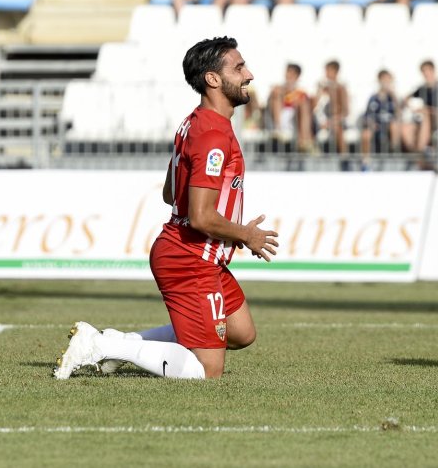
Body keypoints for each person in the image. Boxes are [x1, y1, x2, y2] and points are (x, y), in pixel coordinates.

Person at [53, 36, 277, 380]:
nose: (249, 74)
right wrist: (245, 233)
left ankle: (118, 342)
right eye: (239, 67)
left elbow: (171, 193)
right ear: (213, 79)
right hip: (189, 259)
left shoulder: (195, 122)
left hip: (201, 255)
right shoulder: (212, 135)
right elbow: (201, 216)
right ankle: (99, 346)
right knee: (206, 371)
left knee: (241, 332)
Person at [267, 63, 314, 150]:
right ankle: (279, 129)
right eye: (288, 72)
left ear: (297, 76)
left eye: (291, 73)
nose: (288, 75)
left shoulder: (301, 93)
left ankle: (304, 138)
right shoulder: (278, 89)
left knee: (303, 105)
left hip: (295, 120)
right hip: (280, 117)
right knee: (276, 97)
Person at [401, 59, 438, 153]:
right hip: (422, 119)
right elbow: (406, 99)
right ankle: (418, 153)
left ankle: (421, 149)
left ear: (433, 70)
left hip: (437, 119)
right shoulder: (422, 88)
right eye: (423, 71)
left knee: (425, 114)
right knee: (405, 128)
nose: (425, 74)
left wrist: (426, 110)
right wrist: (412, 108)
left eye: (427, 70)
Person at [360, 69, 400, 156]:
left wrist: (393, 95)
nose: (386, 82)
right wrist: (371, 124)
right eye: (384, 79)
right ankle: (366, 162)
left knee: (394, 126)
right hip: (376, 127)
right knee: (366, 134)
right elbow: (367, 116)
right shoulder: (373, 98)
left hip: (389, 127)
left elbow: (398, 114)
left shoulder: (393, 98)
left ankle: (394, 154)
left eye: (388, 79)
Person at [314, 60, 350, 154]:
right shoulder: (322, 88)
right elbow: (315, 108)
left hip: (337, 122)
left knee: (338, 129)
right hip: (321, 122)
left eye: (328, 71)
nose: (326, 74)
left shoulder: (341, 89)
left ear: (336, 72)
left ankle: (344, 157)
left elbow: (346, 112)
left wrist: (332, 121)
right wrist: (319, 92)